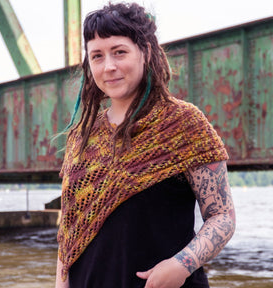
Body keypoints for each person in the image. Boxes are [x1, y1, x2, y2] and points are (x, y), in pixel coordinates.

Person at [55, 2, 236, 288]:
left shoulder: (184, 123)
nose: (109, 66)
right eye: (97, 56)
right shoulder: (82, 136)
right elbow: (69, 231)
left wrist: (182, 264)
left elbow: (222, 216)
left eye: (120, 52)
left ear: (146, 52)